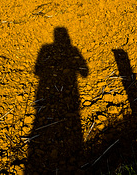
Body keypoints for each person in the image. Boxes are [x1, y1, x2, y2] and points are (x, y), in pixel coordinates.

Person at [25, 27, 89, 174]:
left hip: (44, 94)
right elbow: (85, 72)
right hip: (71, 97)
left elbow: (37, 71)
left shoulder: (45, 48)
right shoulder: (72, 49)